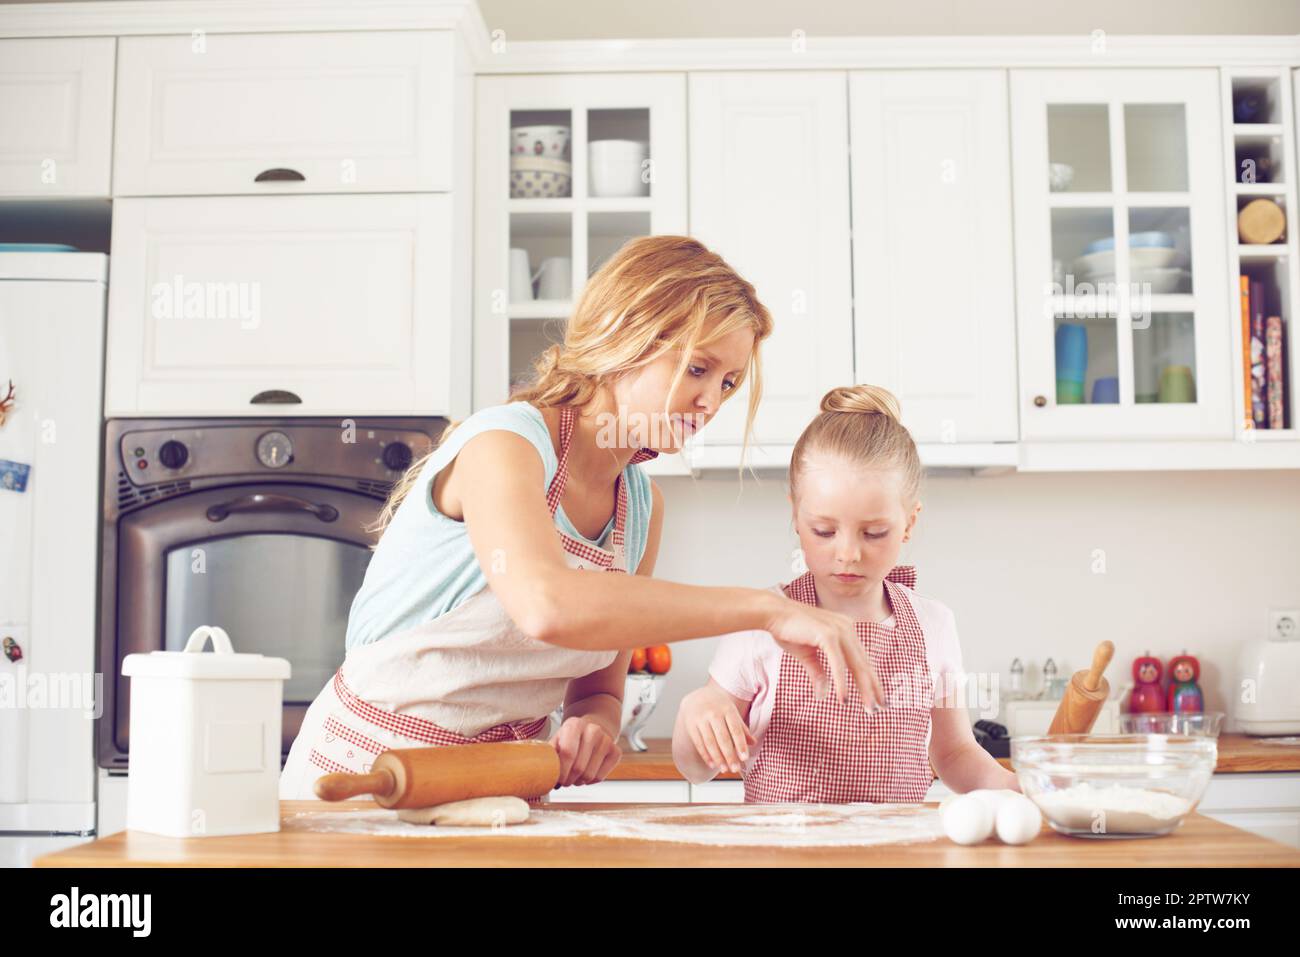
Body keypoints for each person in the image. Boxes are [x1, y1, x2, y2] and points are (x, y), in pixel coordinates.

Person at [280, 236, 882, 801]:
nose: (711, 402)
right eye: (697, 369)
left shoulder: (641, 508)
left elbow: (597, 687)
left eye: (728, 382)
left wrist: (595, 722)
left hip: (498, 792)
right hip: (363, 778)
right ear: (625, 339)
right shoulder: (504, 445)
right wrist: (769, 609)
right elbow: (548, 606)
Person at [673, 384, 1019, 802]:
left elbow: (954, 753)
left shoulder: (934, 625)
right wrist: (696, 711)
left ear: (909, 522)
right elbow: (695, 768)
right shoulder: (759, 623)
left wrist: (1014, 787)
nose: (849, 553)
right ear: (795, 516)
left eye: (874, 533)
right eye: (824, 531)